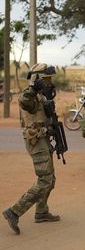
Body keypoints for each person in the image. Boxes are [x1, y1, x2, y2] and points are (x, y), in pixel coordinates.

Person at [2, 63, 60, 235]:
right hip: (37, 140)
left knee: (51, 179)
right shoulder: (30, 94)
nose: (49, 82)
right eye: (47, 78)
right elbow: (24, 101)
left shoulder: (42, 96)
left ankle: (41, 212)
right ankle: (14, 211)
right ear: (38, 79)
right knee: (45, 180)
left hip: (44, 139)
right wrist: (33, 89)